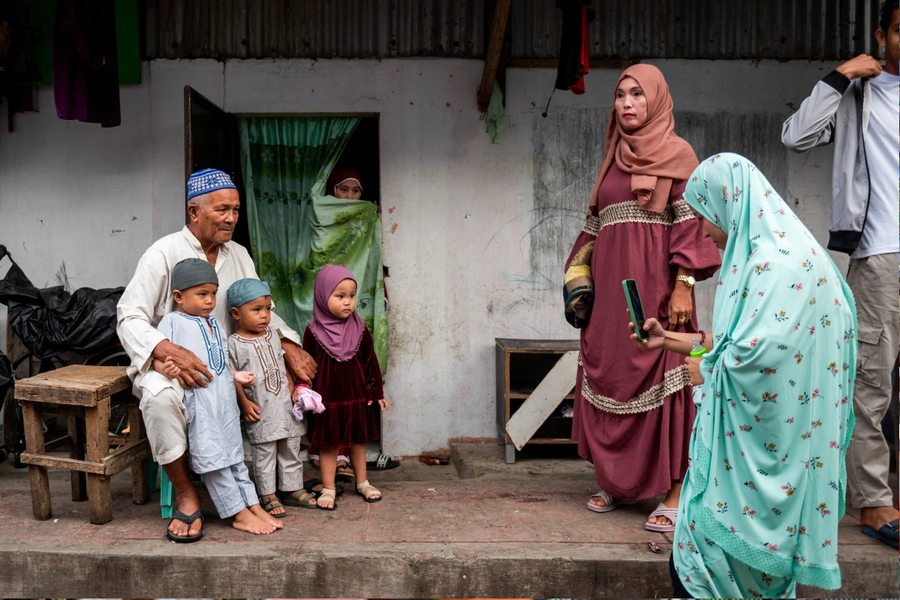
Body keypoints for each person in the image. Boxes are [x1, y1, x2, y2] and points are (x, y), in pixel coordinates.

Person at [633, 153, 856, 598]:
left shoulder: (775, 267)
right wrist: (669, 341)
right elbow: (745, 340)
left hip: (754, 465)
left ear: (727, 203)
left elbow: (757, 357)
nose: (706, 232)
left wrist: (709, 372)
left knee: (703, 565)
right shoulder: (785, 256)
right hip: (776, 456)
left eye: (703, 216)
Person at [117, 168, 317, 542]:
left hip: (225, 365)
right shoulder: (163, 253)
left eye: (236, 210)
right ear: (194, 212)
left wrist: (287, 344)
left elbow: (258, 306)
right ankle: (187, 492)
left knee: (277, 387)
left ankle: (274, 486)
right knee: (160, 400)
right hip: (170, 363)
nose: (231, 218)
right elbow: (129, 316)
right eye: (222, 209)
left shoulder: (238, 254)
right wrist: (167, 350)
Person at [564, 63, 721, 531]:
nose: (627, 103)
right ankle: (615, 483)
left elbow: (692, 229)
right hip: (611, 300)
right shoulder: (614, 159)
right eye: (620, 95)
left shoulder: (681, 157)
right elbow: (593, 229)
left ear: (656, 100)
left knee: (668, 381)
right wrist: (577, 277)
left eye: (637, 94)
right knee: (611, 375)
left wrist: (684, 285)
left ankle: (674, 493)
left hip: (662, 293)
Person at [781, 0, 899, 550]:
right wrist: (840, 75)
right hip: (880, 255)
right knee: (871, 383)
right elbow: (796, 136)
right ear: (882, 35)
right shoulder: (858, 96)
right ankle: (874, 503)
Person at [154, 259, 283, 538]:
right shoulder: (172, 322)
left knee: (235, 456)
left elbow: (220, 362)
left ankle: (251, 504)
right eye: (202, 294)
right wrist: (167, 368)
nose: (210, 301)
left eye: (213, 293)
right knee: (214, 458)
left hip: (224, 403)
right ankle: (237, 513)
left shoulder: (214, 323)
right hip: (201, 403)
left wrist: (236, 378)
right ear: (179, 296)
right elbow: (158, 358)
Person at [226, 278, 317, 516]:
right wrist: (244, 403)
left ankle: (292, 489)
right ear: (236, 313)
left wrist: (294, 389)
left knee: (290, 448)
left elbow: (281, 365)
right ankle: (267, 494)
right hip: (260, 407)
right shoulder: (234, 344)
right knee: (265, 452)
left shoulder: (274, 335)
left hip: (285, 405)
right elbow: (232, 377)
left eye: (267, 309)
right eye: (256, 310)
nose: (264, 315)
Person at [303, 264, 389, 510]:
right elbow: (306, 366)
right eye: (339, 296)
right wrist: (302, 392)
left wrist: (377, 391)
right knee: (329, 448)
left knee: (357, 444)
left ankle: (362, 482)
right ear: (322, 296)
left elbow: (370, 360)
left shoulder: (360, 328)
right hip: (327, 403)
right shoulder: (313, 331)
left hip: (356, 399)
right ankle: (328, 488)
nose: (348, 302)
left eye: (352, 296)